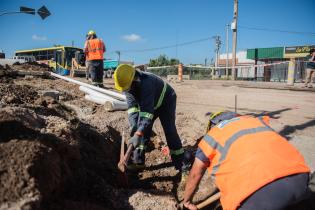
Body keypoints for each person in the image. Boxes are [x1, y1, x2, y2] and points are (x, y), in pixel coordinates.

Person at [183, 111, 311, 210]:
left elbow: (195, 174)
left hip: (259, 198)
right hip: (300, 180)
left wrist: (187, 201)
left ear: (212, 126)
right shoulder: (256, 122)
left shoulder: (212, 137)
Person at [113, 64, 190, 174]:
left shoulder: (146, 83)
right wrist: (135, 128)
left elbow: (147, 113)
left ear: (134, 79)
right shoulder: (128, 87)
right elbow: (132, 109)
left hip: (166, 101)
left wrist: (139, 133)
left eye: (127, 87)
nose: (126, 91)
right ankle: (138, 161)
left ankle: (182, 164)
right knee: (140, 129)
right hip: (150, 105)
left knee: (170, 131)